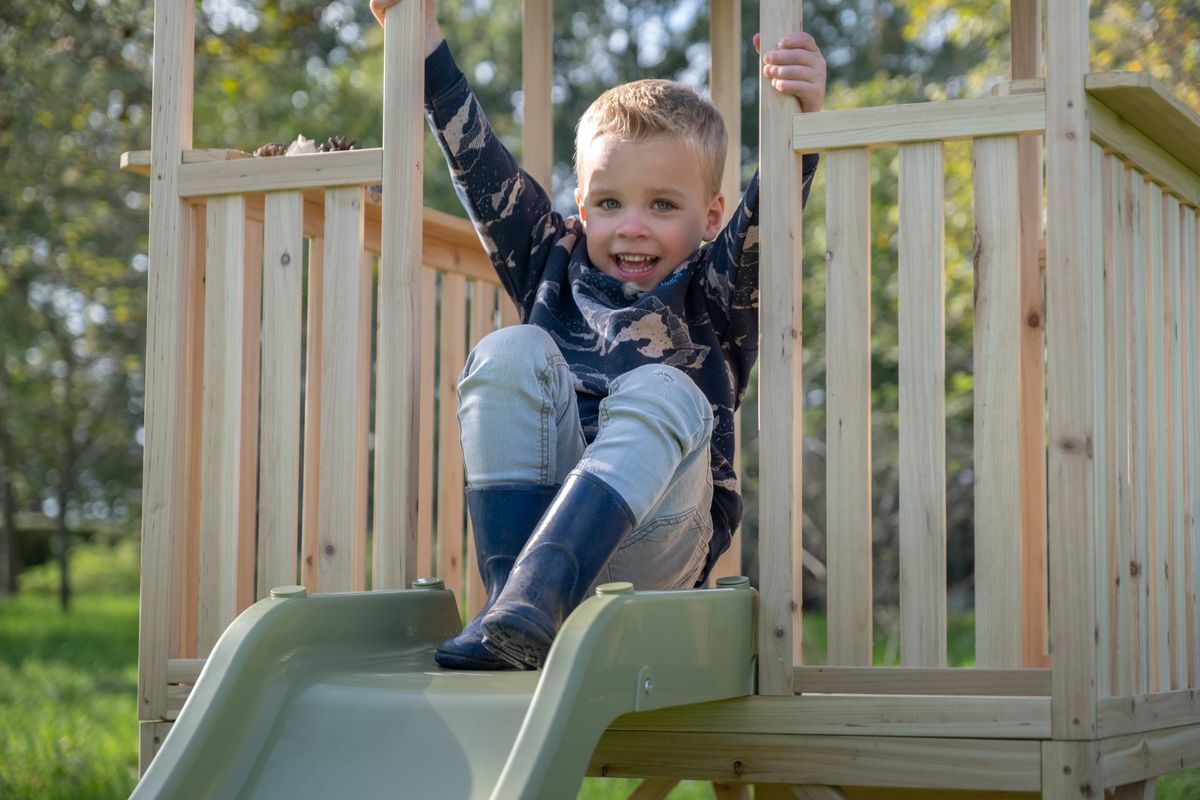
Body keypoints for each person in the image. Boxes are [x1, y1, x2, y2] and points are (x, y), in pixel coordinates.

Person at [369, 0, 826, 671]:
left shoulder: (716, 290)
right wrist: (420, 32)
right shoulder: (550, 261)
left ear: (711, 215)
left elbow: (774, 209)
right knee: (508, 349)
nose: (632, 226)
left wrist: (802, 123)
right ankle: (516, 612)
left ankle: (534, 601)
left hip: (656, 546)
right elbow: (476, 160)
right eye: (610, 203)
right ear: (581, 208)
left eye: (663, 205)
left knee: (667, 387)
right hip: (537, 531)